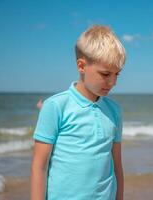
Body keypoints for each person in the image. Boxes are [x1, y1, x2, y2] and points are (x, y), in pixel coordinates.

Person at [31, 25, 126, 200]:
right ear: (81, 66)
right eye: (105, 74)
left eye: (116, 74)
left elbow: (117, 165)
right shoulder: (55, 106)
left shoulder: (114, 111)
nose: (113, 82)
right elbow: (39, 166)